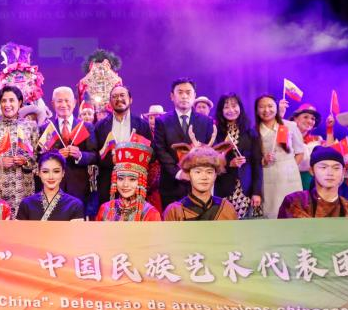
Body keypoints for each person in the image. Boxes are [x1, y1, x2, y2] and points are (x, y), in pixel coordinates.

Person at [163, 147, 260, 310]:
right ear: (188, 175)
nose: (204, 177)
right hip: (186, 282)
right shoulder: (174, 210)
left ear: (217, 174)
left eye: (209, 172)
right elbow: (168, 254)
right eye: (198, 171)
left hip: (220, 280)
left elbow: (235, 250)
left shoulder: (227, 208)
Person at [71, 141, 159, 310]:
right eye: (121, 178)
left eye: (131, 179)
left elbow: (155, 256)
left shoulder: (151, 213)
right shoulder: (105, 209)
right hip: (109, 277)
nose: (126, 184)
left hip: (139, 280)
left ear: (140, 181)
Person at [277, 146, 348, 310]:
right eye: (323, 167)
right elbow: (298, 237)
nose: (330, 173)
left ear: (344, 173)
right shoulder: (295, 200)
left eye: (336, 168)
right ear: (313, 171)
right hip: (301, 269)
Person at [15, 151, 85, 310]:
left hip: (62, 266)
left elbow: (76, 243)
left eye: (56, 171)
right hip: (32, 265)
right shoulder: (27, 204)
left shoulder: (75, 205)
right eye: (45, 171)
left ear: (63, 173)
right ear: (37, 173)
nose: (51, 176)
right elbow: (19, 241)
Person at [152, 78, 217, 211]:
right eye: (180, 92)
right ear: (172, 96)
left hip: (199, 186)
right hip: (171, 184)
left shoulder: (206, 122)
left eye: (188, 92)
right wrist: (178, 173)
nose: (184, 96)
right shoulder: (162, 121)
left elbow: (211, 152)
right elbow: (160, 150)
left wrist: (197, 174)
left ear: (194, 96)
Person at [93, 85, 153, 210]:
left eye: (122, 95)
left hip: (135, 182)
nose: (118, 99)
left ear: (130, 99)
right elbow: (95, 154)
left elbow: (151, 153)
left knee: (134, 220)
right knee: (108, 220)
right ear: (110, 102)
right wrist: (111, 160)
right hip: (107, 182)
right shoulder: (99, 126)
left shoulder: (142, 125)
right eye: (114, 97)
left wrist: (134, 160)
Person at [40, 86, 97, 208]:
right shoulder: (46, 128)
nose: (63, 104)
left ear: (75, 103)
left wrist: (80, 155)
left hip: (79, 188)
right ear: (53, 103)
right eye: (59, 101)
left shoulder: (86, 127)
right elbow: (40, 157)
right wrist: (55, 156)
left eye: (67, 100)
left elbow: (94, 156)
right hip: (52, 186)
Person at [213, 93, 263, 219]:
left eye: (234, 106)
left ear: (240, 107)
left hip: (245, 189)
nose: (231, 110)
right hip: (222, 187)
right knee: (225, 226)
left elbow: (257, 164)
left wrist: (257, 192)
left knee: (244, 228)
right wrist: (229, 164)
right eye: (226, 107)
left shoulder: (250, 132)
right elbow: (211, 161)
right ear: (221, 110)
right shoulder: (215, 132)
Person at [0, 85, 39, 214]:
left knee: (23, 228)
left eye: (12, 100)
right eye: (4, 100)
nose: (7, 104)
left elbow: (37, 158)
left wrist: (25, 161)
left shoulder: (31, 126)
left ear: (20, 102)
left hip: (24, 187)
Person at [256, 94, 305, 219]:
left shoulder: (290, 126)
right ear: (256, 110)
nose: (266, 110)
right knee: (272, 210)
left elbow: (300, 152)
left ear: (277, 107)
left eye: (270, 106)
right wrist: (263, 160)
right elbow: (253, 159)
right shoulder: (254, 131)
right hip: (268, 175)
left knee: (293, 210)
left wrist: (291, 167)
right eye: (262, 107)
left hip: (290, 177)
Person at [290, 104, 324, 189]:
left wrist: (329, 129)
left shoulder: (317, 140)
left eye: (312, 118)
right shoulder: (287, 137)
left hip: (309, 180)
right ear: (295, 118)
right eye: (305, 117)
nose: (309, 121)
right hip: (289, 178)